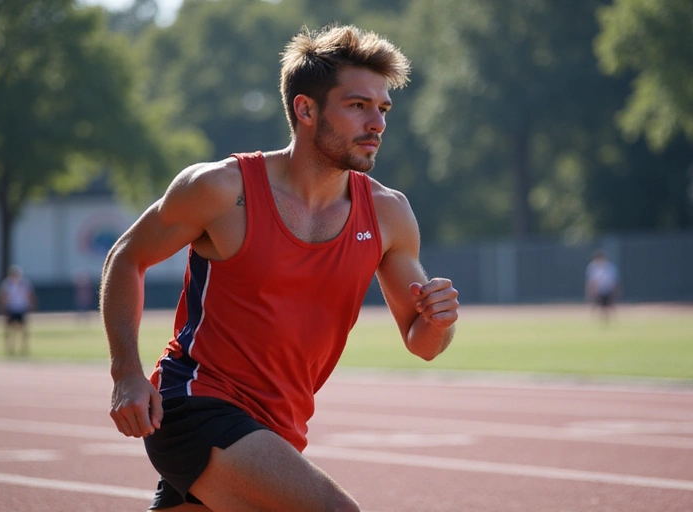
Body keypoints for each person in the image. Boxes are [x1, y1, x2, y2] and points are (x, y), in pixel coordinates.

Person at [101, 24, 459, 512]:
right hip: (194, 401)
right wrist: (126, 373)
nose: (377, 122)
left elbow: (422, 342)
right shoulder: (223, 190)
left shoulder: (388, 213)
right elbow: (126, 256)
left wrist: (439, 320)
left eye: (383, 108)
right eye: (358, 106)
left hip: (278, 427)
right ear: (305, 109)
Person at [0, 264, 37, 356]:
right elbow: (2, 296)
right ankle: (10, 348)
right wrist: (2, 307)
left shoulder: (24, 283)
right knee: (9, 330)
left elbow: (30, 295)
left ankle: (23, 348)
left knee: (23, 330)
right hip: (11, 308)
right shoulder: (7, 284)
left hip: (21, 308)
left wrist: (32, 305)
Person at [584, 248, 620, 323]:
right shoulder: (592, 267)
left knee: (610, 306)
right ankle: (593, 320)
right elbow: (591, 281)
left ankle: (613, 320)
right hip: (597, 291)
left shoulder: (610, 267)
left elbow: (613, 281)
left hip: (607, 290)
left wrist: (614, 291)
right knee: (596, 306)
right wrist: (590, 291)